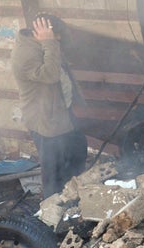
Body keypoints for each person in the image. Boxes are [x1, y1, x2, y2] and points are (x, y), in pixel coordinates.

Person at [11, 14, 87, 198]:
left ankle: (75, 197)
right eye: (56, 37)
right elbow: (51, 75)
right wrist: (50, 43)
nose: (58, 41)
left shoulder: (42, 44)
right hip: (45, 120)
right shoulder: (25, 55)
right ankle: (51, 210)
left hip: (60, 113)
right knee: (53, 170)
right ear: (41, 33)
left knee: (78, 150)